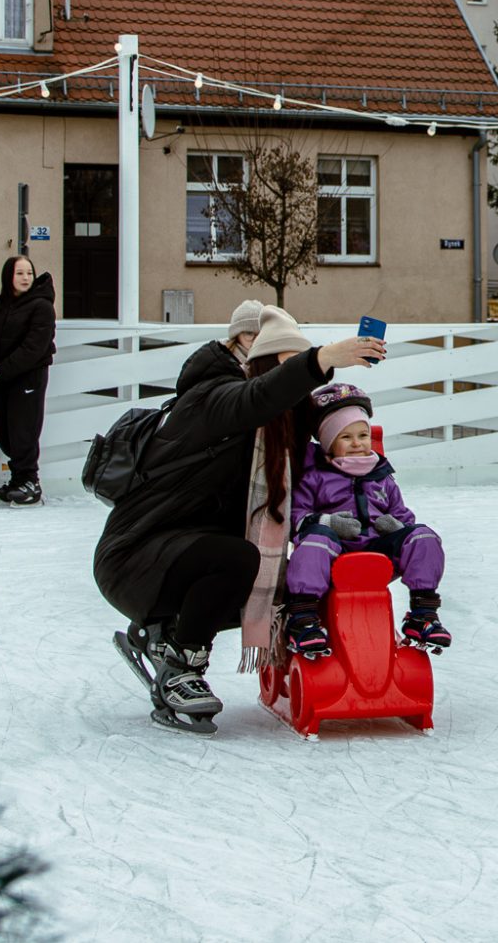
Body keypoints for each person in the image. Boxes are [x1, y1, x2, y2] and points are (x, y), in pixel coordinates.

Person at [92, 306, 384, 728]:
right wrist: (324, 358)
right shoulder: (210, 399)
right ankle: (180, 666)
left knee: (285, 581)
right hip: (135, 557)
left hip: (187, 552)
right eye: (286, 362)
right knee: (239, 560)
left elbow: (313, 443)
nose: (293, 380)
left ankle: (164, 635)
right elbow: (258, 397)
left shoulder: (273, 427)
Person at [261, 382, 450, 658]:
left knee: (423, 536)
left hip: (378, 555)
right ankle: (303, 618)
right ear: (329, 442)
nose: (357, 443)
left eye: (363, 435)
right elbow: (295, 516)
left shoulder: (382, 477)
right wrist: (327, 523)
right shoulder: (315, 477)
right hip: (331, 557)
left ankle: (423, 614)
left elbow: (403, 516)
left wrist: (397, 527)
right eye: (346, 437)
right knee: (315, 540)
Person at [0, 256, 56, 506]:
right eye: (19, 273)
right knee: (5, 433)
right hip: (1, 376)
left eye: (29, 273)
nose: (25, 278)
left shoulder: (42, 306)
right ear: (8, 276)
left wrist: (4, 368)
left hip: (28, 376)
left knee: (24, 430)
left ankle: (30, 481)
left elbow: (34, 347)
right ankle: (17, 479)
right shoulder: (1, 305)